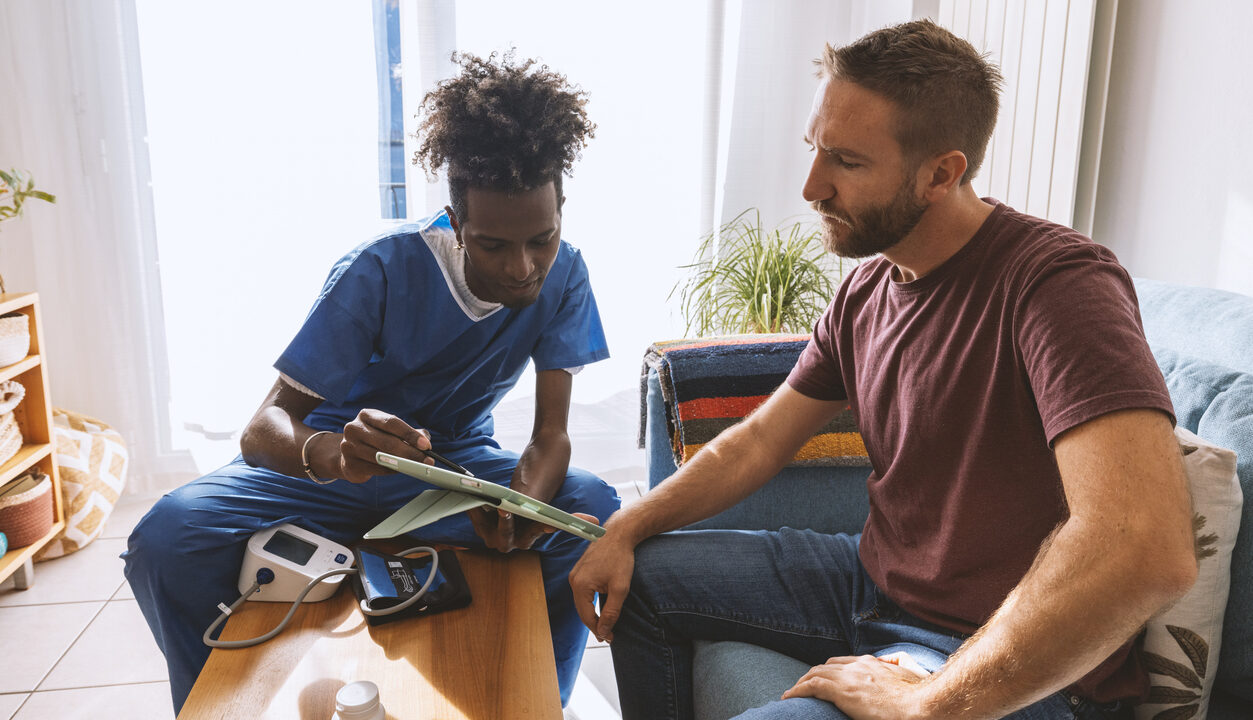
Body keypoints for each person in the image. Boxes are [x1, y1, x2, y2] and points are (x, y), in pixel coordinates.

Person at [570, 20, 1197, 720]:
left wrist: (930, 703)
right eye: (812, 149)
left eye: (846, 162)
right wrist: (626, 526)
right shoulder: (867, 291)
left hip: (995, 649)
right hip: (869, 583)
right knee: (640, 576)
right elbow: (756, 442)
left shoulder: (1055, 284)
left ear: (941, 173)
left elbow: (1144, 547)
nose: (811, 187)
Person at [124, 52, 619, 714]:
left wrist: (519, 504)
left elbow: (551, 432)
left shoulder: (568, 275)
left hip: (451, 467)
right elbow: (261, 429)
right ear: (453, 221)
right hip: (335, 460)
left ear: (561, 210)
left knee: (588, 505)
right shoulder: (379, 270)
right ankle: (218, 705)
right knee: (167, 536)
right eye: (493, 245)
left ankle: (536, 700)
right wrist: (333, 456)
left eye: (542, 238)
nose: (523, 267)